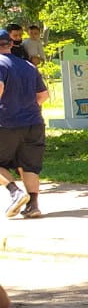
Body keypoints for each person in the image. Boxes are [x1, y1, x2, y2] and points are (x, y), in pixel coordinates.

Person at [0, 29, 49, 219]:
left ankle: (15, 192)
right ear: (11, 44)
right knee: (29, 165)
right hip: (34, 123)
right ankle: (33, 206)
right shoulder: (29, 66)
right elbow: (43, 96)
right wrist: (24, 106)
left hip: (6, 123)